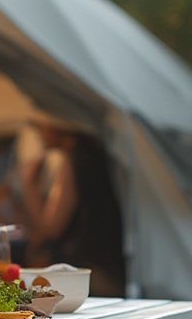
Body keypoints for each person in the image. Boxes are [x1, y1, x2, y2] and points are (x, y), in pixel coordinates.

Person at [16, 117, 125, 296]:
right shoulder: (96, 150)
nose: (37, 130)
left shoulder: (77, 157)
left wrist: (28, 184)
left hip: (93, 270)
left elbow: (49, 229)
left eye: (40, 122)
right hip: (108, 263)